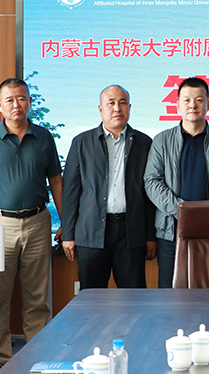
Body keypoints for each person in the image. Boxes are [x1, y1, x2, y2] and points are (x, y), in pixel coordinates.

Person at [0, 78, 63, 374]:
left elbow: (56, 181)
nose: (16, 104)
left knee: (37, 298)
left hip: (38, 223)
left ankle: (37, 355)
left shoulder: (44, 137)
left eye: (21, 98)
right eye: (9, 99)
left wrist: (66, 221)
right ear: (0, 104)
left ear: (29, 101)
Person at [61, 85, 156, 289]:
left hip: (131, 233)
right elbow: (70, 192)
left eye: (122, 103)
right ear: (100, 109)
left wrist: (150, 236)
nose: (117, 108)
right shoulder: (81, 143)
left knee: (134, 297)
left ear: (129, 107)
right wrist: (68, 235)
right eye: (111, 103)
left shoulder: (144, 143)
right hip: (91, 232)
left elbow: (149, 195)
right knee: (91, 298)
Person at [144, 77, 209, 288]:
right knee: (170, 292)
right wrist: (181, 210)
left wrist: (208, 213)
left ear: (208, 104)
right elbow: (151, 181)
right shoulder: (162, 140)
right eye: (187, 100)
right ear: (177, 104)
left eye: (199, 100)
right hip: (171, 230)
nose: (193, 105)